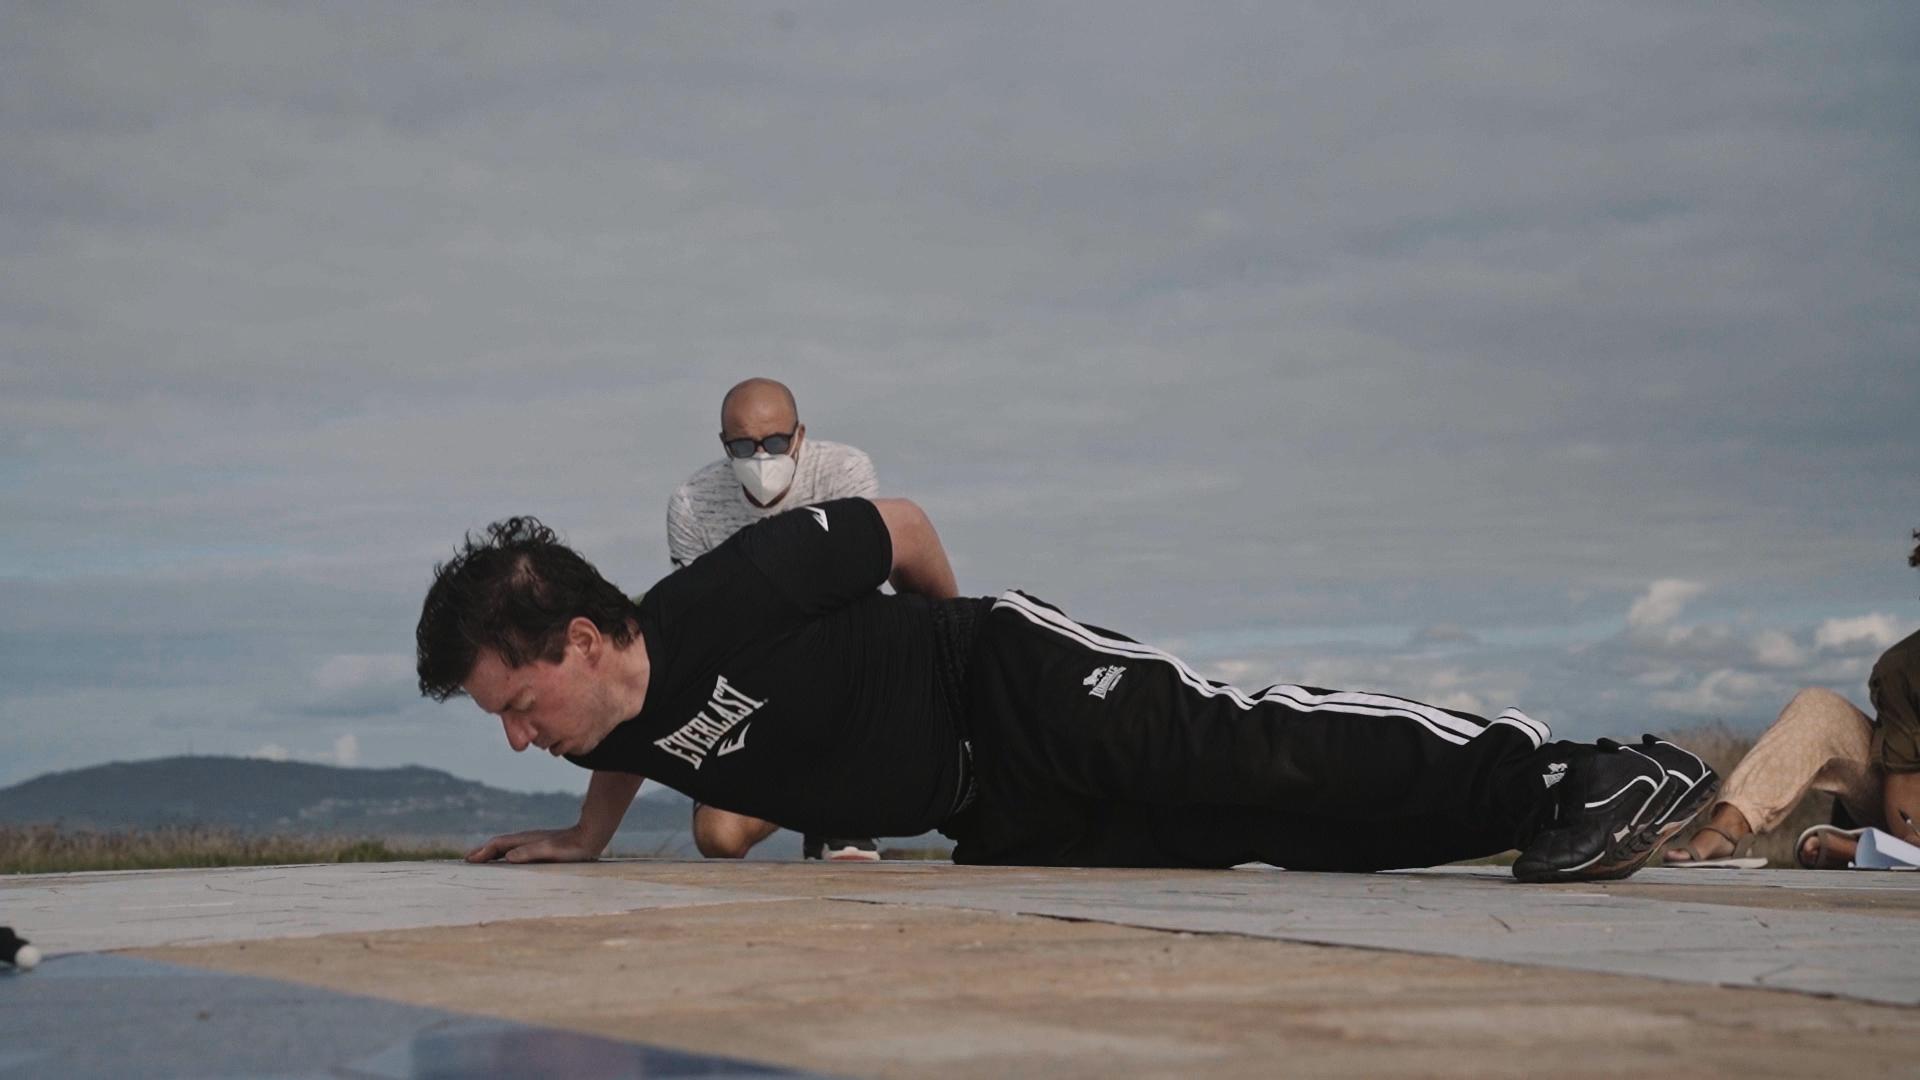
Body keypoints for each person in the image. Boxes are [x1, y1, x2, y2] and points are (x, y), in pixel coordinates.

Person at [418, 498, 1716, 880]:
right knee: (1259, 834)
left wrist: (955, 643)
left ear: (581, 639)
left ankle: (1575, 771)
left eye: (516, 706)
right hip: (994, 813)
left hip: (1009, 683)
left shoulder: (737, 586)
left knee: (1242, 753)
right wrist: (585, 836)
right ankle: (1539, 826)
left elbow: (903, 526)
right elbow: (633, 748)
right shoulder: (615, 718)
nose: (519, 738)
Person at [666, 377, 883, 862]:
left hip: (840, 667)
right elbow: (704, 626)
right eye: (744, 446)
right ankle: (818, 796)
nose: (762, 457)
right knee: (718, 837)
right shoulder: (691, 503)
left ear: (800, 435)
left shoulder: (845, 472)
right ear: (724, 444)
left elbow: (855, 588)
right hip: (749, 681)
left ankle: (844, 805)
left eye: (777, 442)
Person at [1665, 529, 1920, 869]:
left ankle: (1856, 850)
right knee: (1820, 710)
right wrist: (1908, 843)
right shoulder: (1903, 666)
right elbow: (1906, 799)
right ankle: (1729, 829)